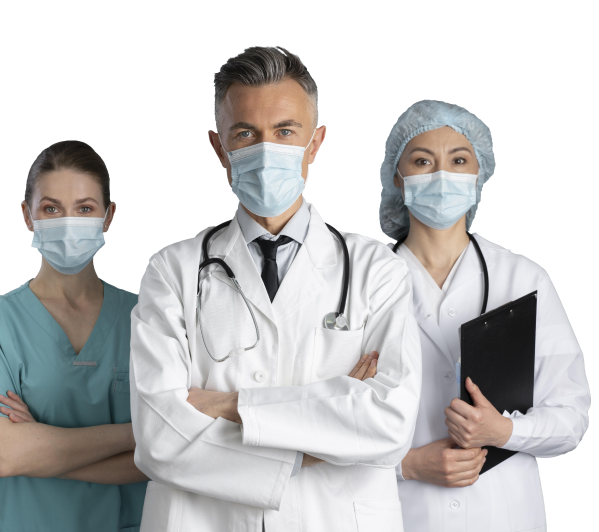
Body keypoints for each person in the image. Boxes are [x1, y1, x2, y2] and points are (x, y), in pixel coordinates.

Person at [127, 45, 422, 532]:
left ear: (315, 143)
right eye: (245, 133)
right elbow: (159, 439)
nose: (266, 150)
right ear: (219, 148)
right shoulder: (171, 270)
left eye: (285, 132)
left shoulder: (376, 269)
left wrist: (228, 405)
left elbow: (389, 425)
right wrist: (321, 437)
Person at [379, 100, 591, 532]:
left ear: (479, 175)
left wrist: (503, 432)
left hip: (502, 515)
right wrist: (406, 465)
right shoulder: (364, 279)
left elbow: (571, 418)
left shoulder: (523, 277)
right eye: (422, 161)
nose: (442, 176)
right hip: (400, 513)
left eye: (459, 160)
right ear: (397, 177)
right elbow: (327, 423)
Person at [0, 140, 151, 532]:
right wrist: (136, 434)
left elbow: (165, 456)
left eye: (85, 208)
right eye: (51, 209)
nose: (68, 222)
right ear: (27, 215)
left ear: (108, 216)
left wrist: (40, 449)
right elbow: (6, 455)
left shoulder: (147, 318)